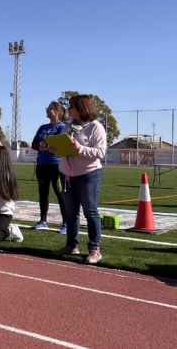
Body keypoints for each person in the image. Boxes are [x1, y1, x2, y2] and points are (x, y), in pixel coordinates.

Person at [50, 94, 107, 265]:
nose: (69, 109)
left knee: (90, 211)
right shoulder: (67, 127)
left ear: (82, 108)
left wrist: (80, 148)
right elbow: (64, 150)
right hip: (67, 175)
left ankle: (95, 249)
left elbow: (100, 153)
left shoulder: (96, 127)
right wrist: (55, 149)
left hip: (88, 175)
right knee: (71, 212)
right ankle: (71, 245)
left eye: (72, 106)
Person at [30, 102, 67, 233]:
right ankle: (43, 221)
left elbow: (59, 145)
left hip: (56, 165)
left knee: (60, 193)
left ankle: (66, 223)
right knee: (43, 194)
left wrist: (46, 145)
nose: (47, 110)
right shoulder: (42, 127)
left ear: (58, 111)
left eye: (50, 108)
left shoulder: (63, 127)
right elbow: (34, 145)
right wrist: (46, 146)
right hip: (41, 165)